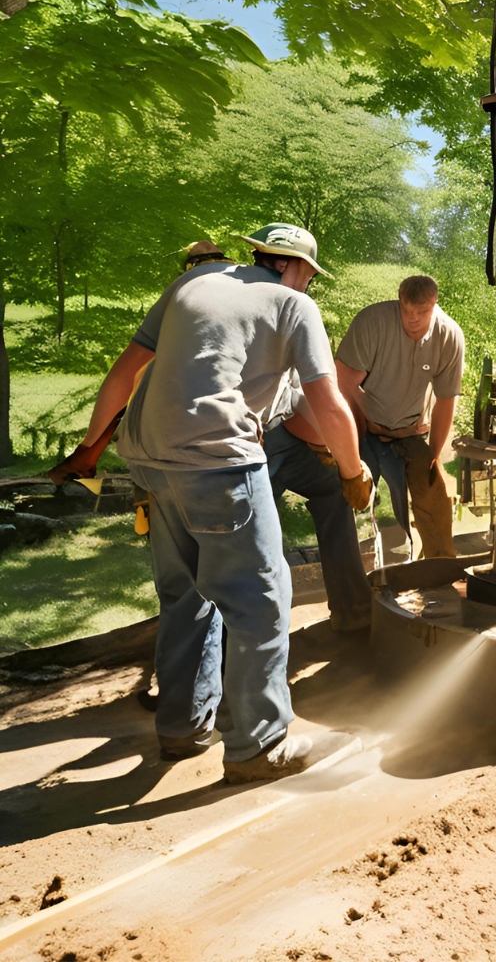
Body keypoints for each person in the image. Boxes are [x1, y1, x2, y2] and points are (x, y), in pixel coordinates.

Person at [51, 223, 374, 783]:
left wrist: (87, 450)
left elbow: (125, 374)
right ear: (296, 269)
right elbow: (328, 404)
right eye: (308, 277)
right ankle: (259, 745)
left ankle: (181, 727)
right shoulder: (294, 306)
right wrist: (354, 472)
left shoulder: (195, 283)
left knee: (185, 595)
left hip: (148, 460)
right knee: (261, 602)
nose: (307, 286)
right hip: (219, 463)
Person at [335, 275, 464, 560]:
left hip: (412, 433)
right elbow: (341, 382)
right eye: (407, 311)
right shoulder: (373, 322)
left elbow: (445, 402)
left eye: (422, 312)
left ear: (435, 305)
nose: (413, 319)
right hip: (363, 429)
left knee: (435, 499)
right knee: (353, 502)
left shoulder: (449, 336)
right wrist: (362, 420)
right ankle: (360, 575)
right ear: (399, 301)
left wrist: (434, 455)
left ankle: (437, 570)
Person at [263, 378, 374, 633]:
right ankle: (238, 640)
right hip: (242, 441)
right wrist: (349, 466)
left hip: (289, 436)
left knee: (336, 488)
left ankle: (353, 610)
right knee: (249, 530)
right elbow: (321, 412)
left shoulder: (300, 344)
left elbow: (311, 402)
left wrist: (348, 467)